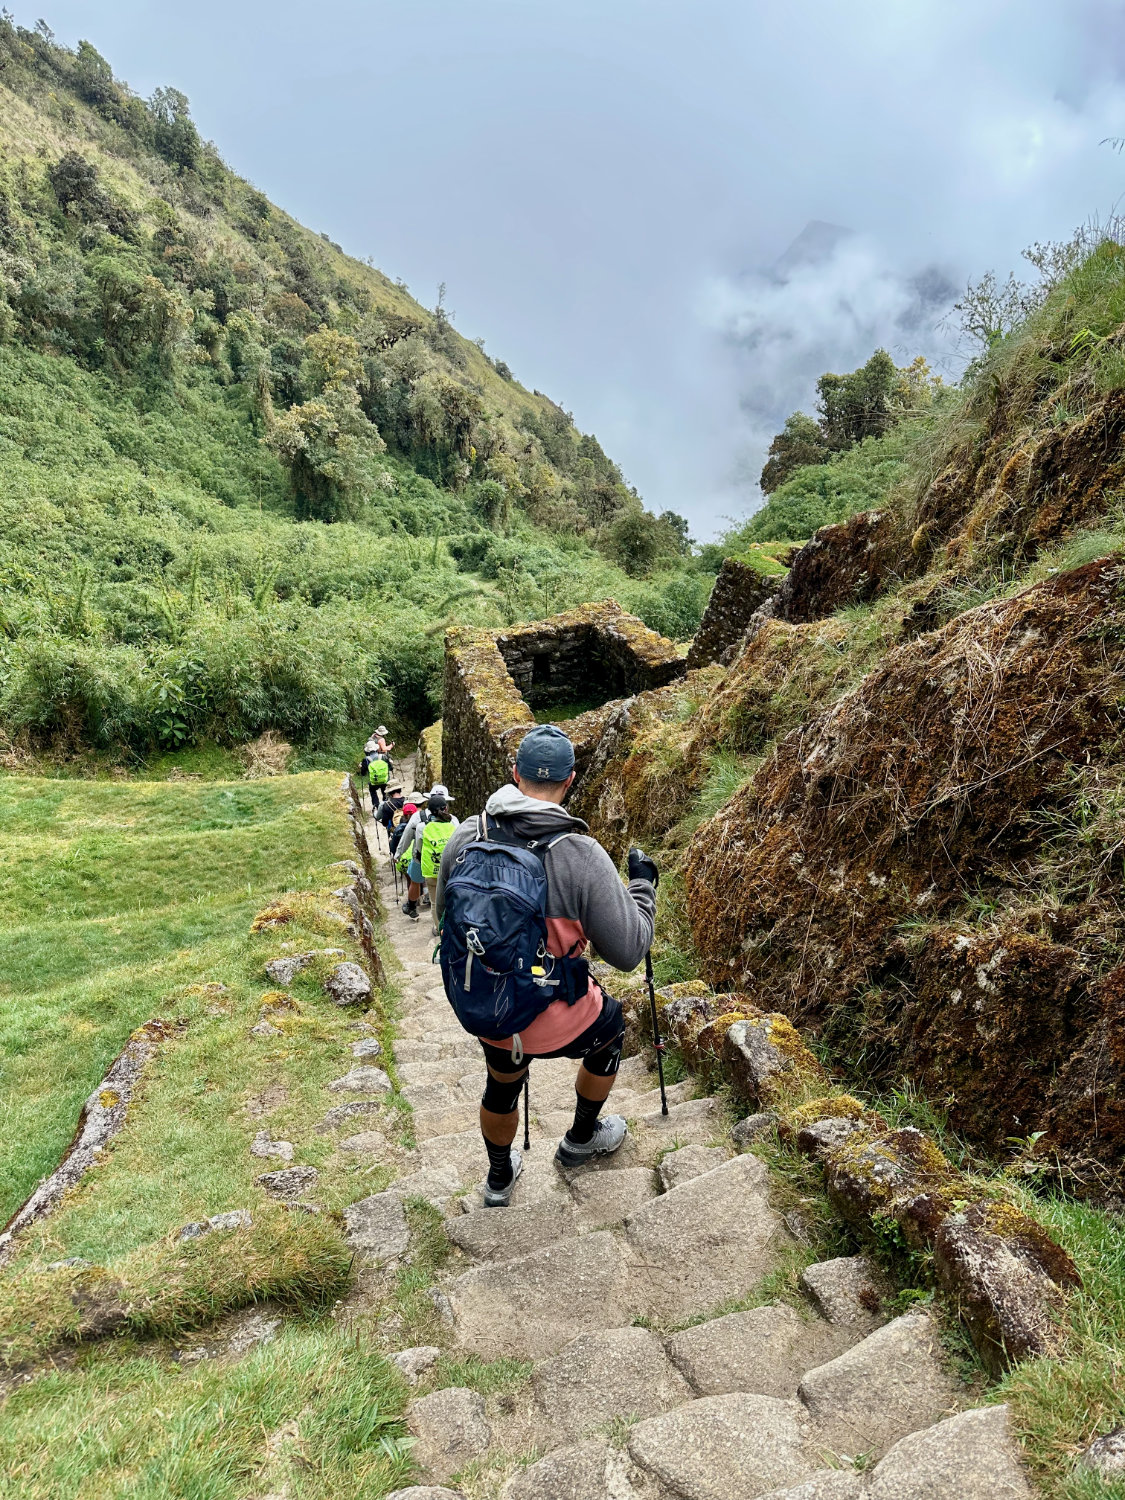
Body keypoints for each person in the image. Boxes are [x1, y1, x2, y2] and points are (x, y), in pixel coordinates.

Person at [436, 724, 657, 1207]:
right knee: (612, 1027)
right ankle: (581, 1138)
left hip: (490, 1009)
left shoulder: (467, 836)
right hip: (558, 1015)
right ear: (570, 780)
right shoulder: (579, 853)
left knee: (501, 1081)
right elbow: (627, 951)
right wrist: (643, 888)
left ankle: (498, 1177)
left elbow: (442, 920)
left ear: (514, 774)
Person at [396, 784, 455, 918]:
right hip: (447, 863)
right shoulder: (452, 820)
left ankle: (412, 906)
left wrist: (399, 853)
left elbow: (407, 836)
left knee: (416, 881)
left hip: (421, 858)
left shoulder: (419, 817)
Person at [419, 794, 459, 935]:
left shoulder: (424, 827)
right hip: (451, 869)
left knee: (435, 901)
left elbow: (419, 848)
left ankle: (439, 929)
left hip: (432, 870)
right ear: (446, 808)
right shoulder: (453, 826)